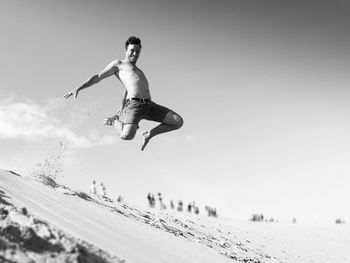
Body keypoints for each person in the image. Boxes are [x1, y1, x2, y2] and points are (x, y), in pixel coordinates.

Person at [63, 36, 183, 150]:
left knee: (177, 122)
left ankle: (149, 134)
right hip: (135, 106)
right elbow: (98, 77)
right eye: (132, 50)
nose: (135, 54)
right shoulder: (119, 64)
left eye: (137, 51)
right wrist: (79, 87)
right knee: (126, 136)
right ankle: (114, 121)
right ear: (125, 50)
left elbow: (128, 88)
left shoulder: (139, 71)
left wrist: (121, 106)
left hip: (150, 105)